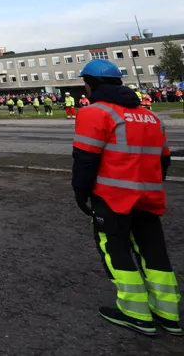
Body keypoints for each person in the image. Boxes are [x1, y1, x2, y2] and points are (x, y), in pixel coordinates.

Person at [71, 58, 180, 335]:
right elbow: (164, 160)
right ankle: (168, 313)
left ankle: (135, 312)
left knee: (115, 249)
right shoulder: (151, 116)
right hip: (149, 196)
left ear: (91, 84)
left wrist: (80, 191)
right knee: (153, 251)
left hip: (113, 197)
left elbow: (85, 158)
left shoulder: (95, 113)